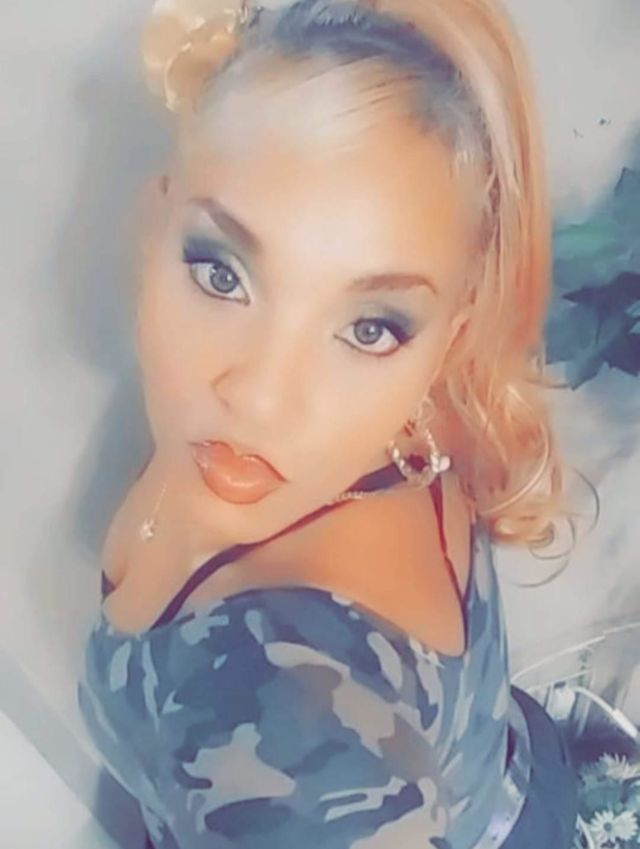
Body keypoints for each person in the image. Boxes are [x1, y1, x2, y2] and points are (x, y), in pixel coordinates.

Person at [77, 0, 581, 845]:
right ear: (155, 223)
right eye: (221, 273)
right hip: (514, 770)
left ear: (447, 343)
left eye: (369, 328)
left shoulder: (299, 731)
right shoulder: (395, 413)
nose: (260, 398)